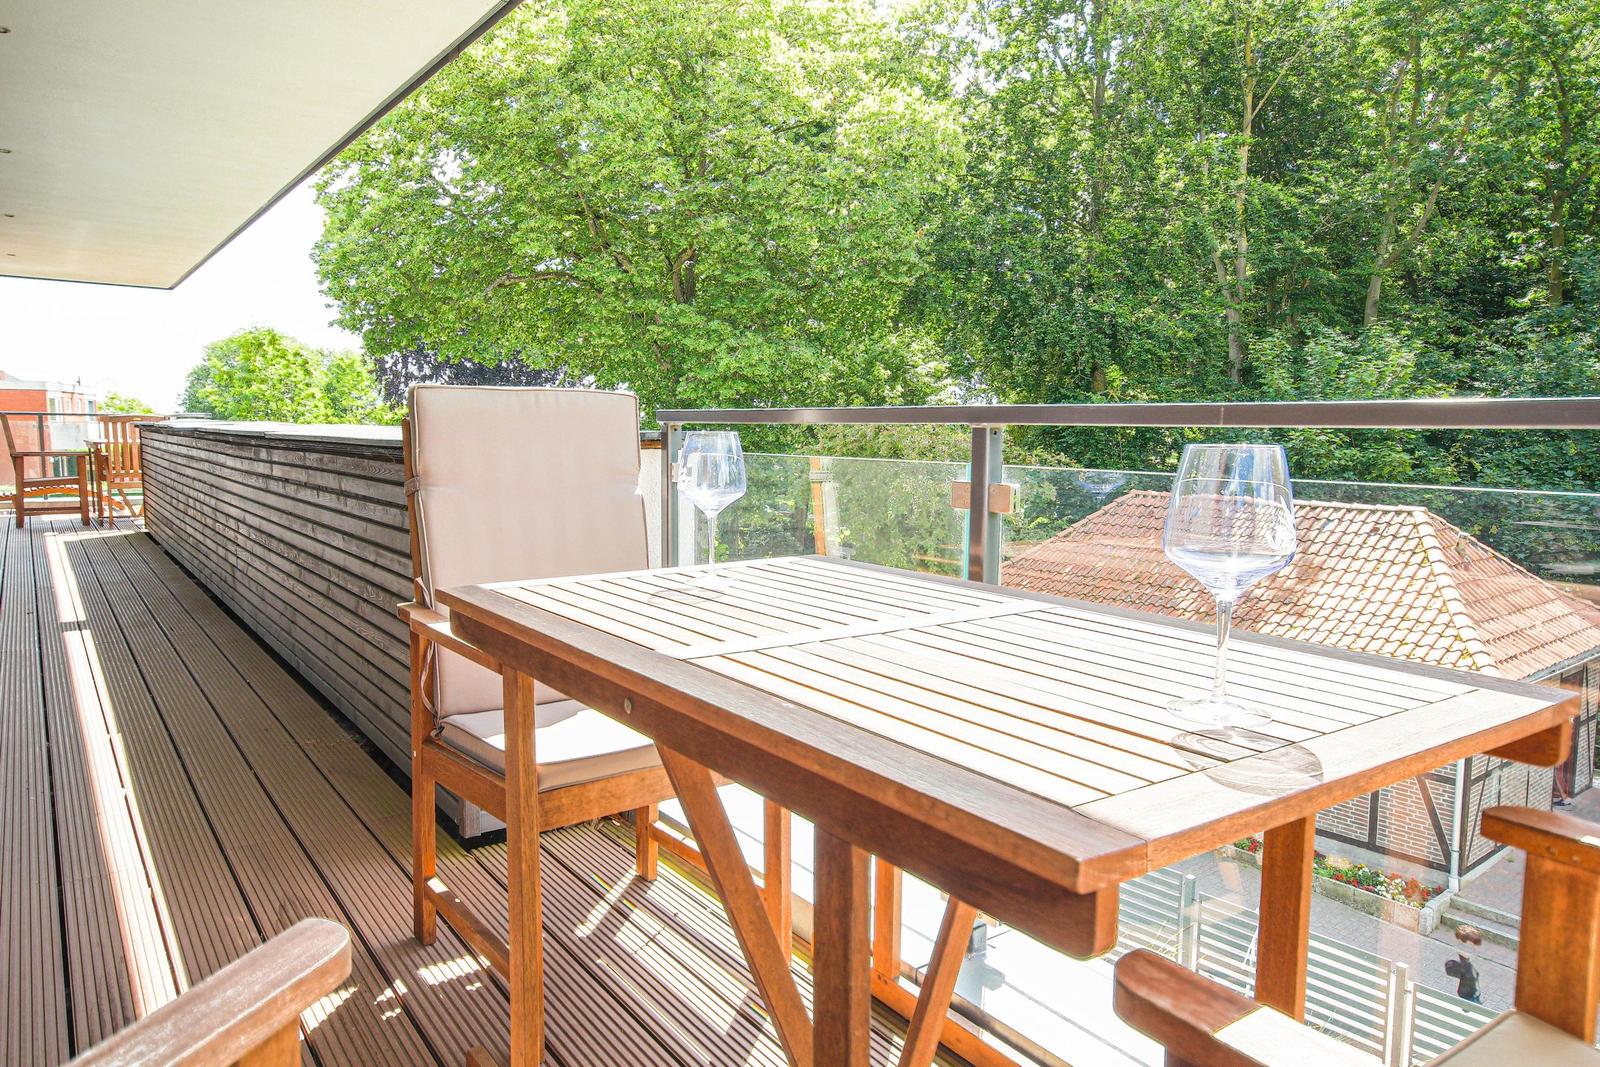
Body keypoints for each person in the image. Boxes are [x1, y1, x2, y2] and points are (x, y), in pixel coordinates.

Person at [1444, 925, 1483, 1003]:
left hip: (1473, 995)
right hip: (1468, 998)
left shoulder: (1467, 961)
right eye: (1472, 945)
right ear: (1461, 944)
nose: (1475, 949)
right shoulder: (1459, 964)